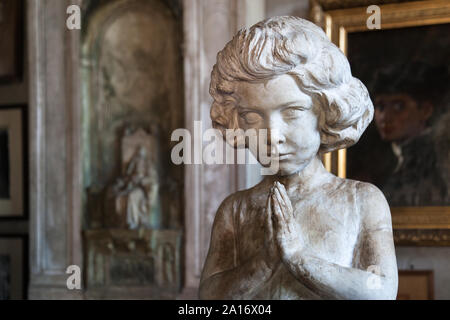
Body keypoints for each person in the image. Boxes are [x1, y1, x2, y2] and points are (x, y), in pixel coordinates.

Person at [199, 17, 398, 300]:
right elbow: (208, 297)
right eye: (252, 116)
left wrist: (299, 260)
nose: (272, 135)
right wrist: (262, 264)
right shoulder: (235, 210)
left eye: (292, 112)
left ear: (327, 112)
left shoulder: (362, 200)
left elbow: (382, 292)